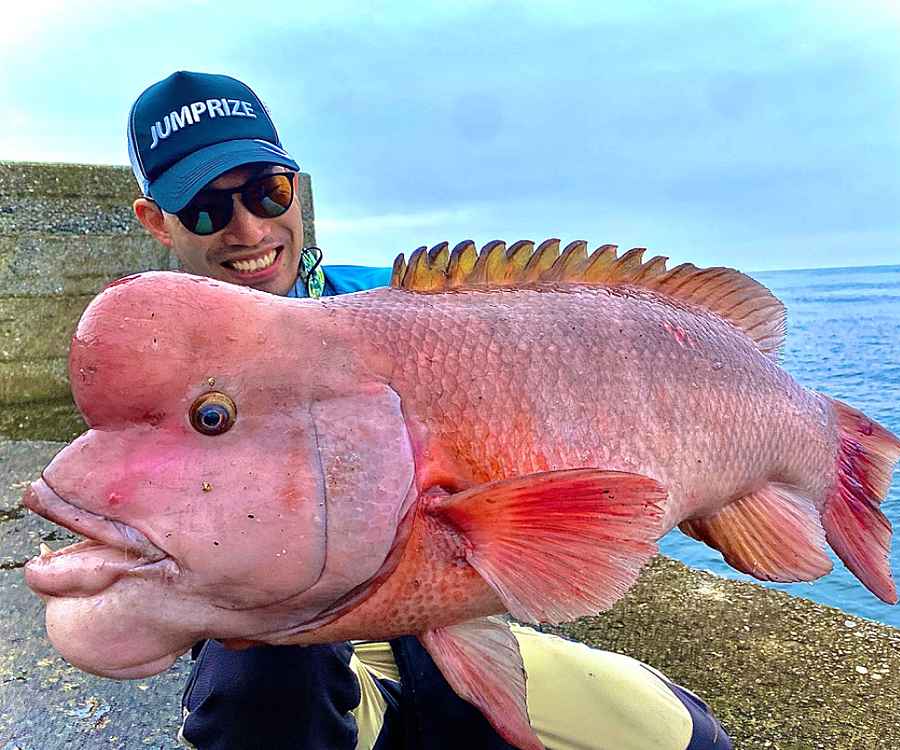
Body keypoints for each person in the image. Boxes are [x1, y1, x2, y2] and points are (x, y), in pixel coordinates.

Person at [128, 70, 732, 750]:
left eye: (268, 193)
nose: (248, 228)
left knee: (688, 738)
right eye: (205, 209)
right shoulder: (154, 375)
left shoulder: (397, 308)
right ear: (156, 221)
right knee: (258, 692)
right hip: (300, 640)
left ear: (296, 187)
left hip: (438, 618)